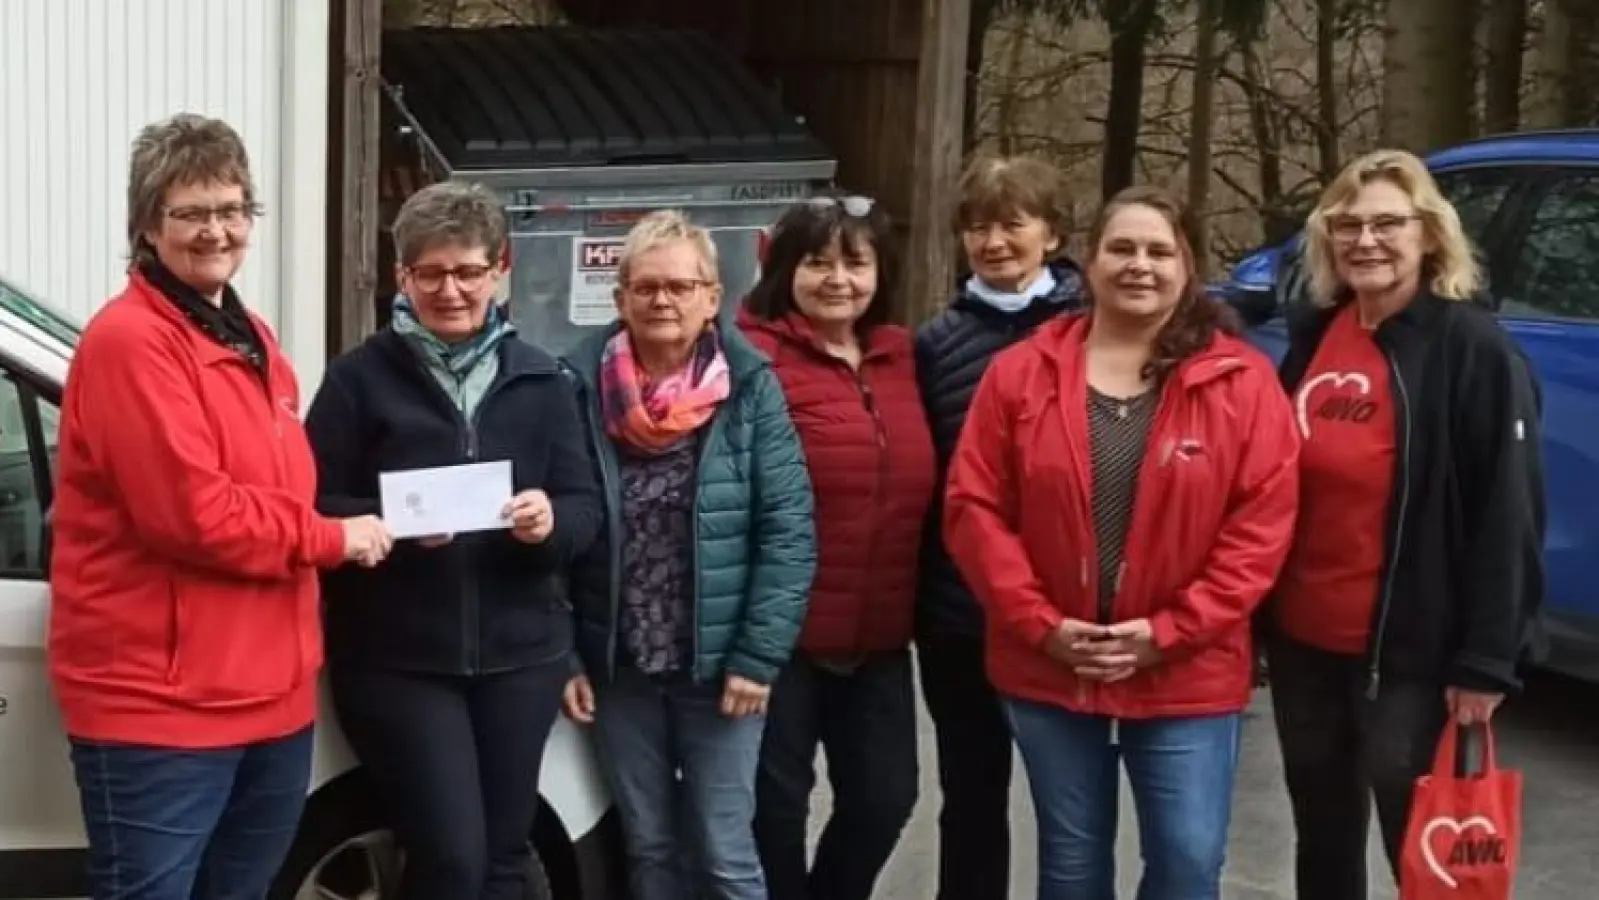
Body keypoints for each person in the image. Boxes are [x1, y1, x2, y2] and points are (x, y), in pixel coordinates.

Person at [46, 113, 393, 899]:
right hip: (162, 705)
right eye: (191, 212)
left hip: (269, 694)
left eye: (233, 209)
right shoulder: (131, 343)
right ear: (146, 225)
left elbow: (276, 487)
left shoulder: (249, 335)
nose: (217, 231)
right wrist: (333, 539)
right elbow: (195, 516)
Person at [944, 185, 1300, 900]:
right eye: (1121, 248)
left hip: (1185, 670)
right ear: (1091, 261)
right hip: (1050, 662)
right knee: (1070, 868)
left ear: (1187, 265)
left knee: (1187, 863)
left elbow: (1259, 531)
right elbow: (973, 507)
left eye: (1159, 251)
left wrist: (1167, 632)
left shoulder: (1243, 382)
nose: (1139, 265)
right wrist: (1041, 626)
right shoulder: (1021, 374)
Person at [303, 181, 603, 899]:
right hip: (398, 663)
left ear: (499, 268)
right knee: (451, 859)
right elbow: (311, 505)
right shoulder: (356, 381)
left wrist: (548, 523)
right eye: (430, 273)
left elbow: (585, 507)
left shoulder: (543, 381)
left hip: (518, 662)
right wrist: (396, 525)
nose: (450, 290)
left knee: (504, 859)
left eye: (467, 271)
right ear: (402, 276)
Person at [1266, 148, 1546, 900]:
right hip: (1303, 642)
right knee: (1321, 836)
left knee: (1423, 858)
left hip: (1411, 654)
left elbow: (1507, 513)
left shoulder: (1472, 350)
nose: (1365, 241)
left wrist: (1486, 662)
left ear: (1428, 235)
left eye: (1387, 223)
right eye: (1346, 225)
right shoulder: (1313, 337)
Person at [559, 209, 816, 900]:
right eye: (645, 287)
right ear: (619, 300)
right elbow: (554, 534)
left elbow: (787, 529)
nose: (662, 300)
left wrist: (758, 659)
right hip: (621, 666)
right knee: (650, 849)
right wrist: (569, 656)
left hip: (721, 668)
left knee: (725, 852)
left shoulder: (752, 389)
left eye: (681, 285)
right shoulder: (574, 389)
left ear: (712, 298)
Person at [739, 194, 935, 900]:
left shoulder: (903, 357)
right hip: (777, 639)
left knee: (885, 799)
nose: (837, 279)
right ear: (784, 269)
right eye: (816, 262)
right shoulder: (749, 358)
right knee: (773, 814)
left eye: (855, 262)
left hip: (879, 636)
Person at [912, 153, 1084, 900]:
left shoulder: (1094, 329)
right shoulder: (935, 343)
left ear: (1051, 234)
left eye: (1012, 224)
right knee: (972, 795)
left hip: (1068, 610)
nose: (993, 241)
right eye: (977, 227)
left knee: (1070, 803)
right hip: (959, 611)